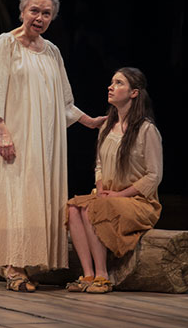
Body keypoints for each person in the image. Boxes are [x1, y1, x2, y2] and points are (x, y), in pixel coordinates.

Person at [0, 0, 106, 292]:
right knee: (15, 195)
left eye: (47, 13)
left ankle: (25, 263)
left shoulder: (52, 52)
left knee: (36, 197)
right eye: (35, 10)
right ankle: (13, 267)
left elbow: (64, 102)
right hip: (15, 135)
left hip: (45, 141)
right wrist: (2, 131)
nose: (40, 17)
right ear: (22, 11)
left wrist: (89, 121)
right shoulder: (4, 45)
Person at [66, 67, 163, 294]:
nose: (111, 87)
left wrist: (119, 195)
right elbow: (99, 165)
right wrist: (100, 188)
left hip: (139, 202)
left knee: (93, 209)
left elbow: (154, 175)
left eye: (119, 83)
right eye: (112, 82)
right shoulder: (107, 126)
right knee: (72, 208)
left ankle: (103, 275)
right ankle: (88, 273)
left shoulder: (146, 130)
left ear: (134, 93)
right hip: (108, 197)